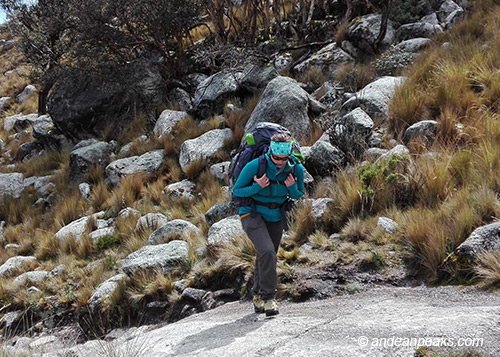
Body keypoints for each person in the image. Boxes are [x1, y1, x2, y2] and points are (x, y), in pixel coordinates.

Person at [232, 131, 305, 316]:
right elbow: (237, 191)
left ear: (288, 155)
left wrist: (291, 187)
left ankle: (256, 294)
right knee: (267, 251)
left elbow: (299, 194)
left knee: (267, 255)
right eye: (276, 158)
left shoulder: (296, 169)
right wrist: (257, 186)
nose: (279, 162)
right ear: (270, 153)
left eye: (283, 158)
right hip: (252, 213)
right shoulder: (255, 166)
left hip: (276, 217)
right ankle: (269, 298)